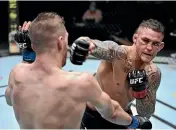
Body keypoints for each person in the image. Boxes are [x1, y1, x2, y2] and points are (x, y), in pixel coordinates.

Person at [5, 12, 151, 129]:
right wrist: (136, 122)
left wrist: (28, 54)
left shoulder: (17, 74)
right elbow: (112, 113)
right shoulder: (80, 82)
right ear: (60, 41)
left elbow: (10, 100)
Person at [70, 18, 164, 129]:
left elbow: (145, 114)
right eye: (145, 40)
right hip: (91, 114)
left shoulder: (153, 73)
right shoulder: (118, 54)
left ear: (161, 46)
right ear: (135, 38)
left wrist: (141, 92)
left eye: (155, 44)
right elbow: (101, 46)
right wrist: (86, 44)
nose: (149, 48)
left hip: (121, 117)